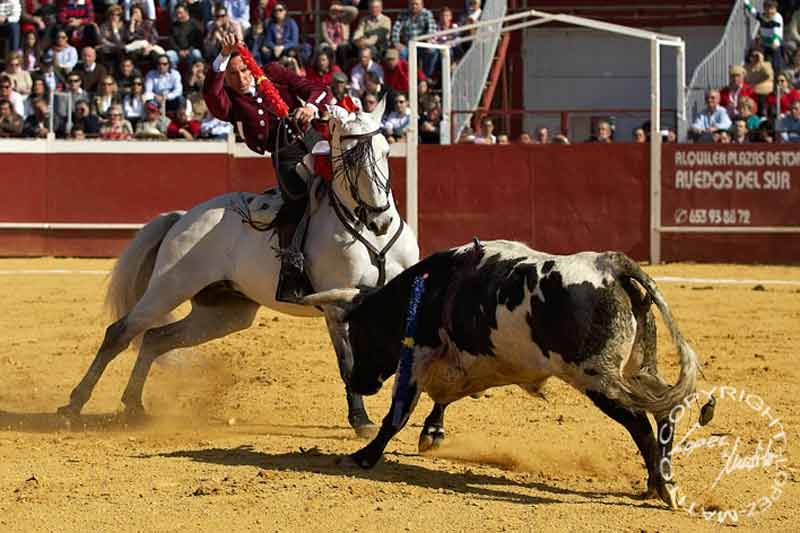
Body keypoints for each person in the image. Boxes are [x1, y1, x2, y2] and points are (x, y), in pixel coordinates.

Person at [203, 34, 333, 302]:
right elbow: (212, 96)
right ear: (226, 78)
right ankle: (292, 270)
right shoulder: (229, 101)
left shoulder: (273, 73)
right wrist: (222, 57)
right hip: (284, 155)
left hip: (313, 142)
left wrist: (309, 106)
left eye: (244, 71)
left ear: (252, 66)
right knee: (295, 204)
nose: (241, 78)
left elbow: (318, 89)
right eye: (233, 74)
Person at [391, 0, 437, 78]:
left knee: (432, 51)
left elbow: (432, 29)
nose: (414, 6)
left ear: (422, 5)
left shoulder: (427, 13)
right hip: (408, 45)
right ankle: (407, 76)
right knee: (401, 52)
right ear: (408, 5)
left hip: (423, 44)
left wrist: (429, 41)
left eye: (416, 4)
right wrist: (396, 42)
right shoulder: (403, 14)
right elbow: (396, 29)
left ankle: (425, 77)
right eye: (412, 4)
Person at [744, 0, 783, 75]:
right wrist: (747, 4)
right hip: (765, 44)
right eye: (767, 8)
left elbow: (776, 31)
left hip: (776, 44)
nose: (769, 11)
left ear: (776, 9)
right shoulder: (762, 16)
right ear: (764, 9)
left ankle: (777, 77)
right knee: (756, 58)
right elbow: (754, 13)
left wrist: (775, 40)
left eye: (772, 9)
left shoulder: (777, 17)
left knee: (776, 62)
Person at [167, 3, 203, 67]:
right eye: (177, 13)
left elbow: (199, 42)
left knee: (196, 53)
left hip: (191, 51)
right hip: (178, 52)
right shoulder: (173, 26)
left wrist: (189, 50)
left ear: (186, 12)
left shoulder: (195, 24)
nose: (178, 15)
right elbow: (171, 41)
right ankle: (173, 75)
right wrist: (179, 51)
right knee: (168, 55)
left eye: (180, 13)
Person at [744, 47, 774, 116]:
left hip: (764, 92)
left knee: (763, 103)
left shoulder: (766, 65)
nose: (754, 58)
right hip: (751, 92)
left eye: (756, 56)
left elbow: (769, 75)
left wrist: (761, 61)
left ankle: (764, 114)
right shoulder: (746, 67)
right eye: (752, 56)